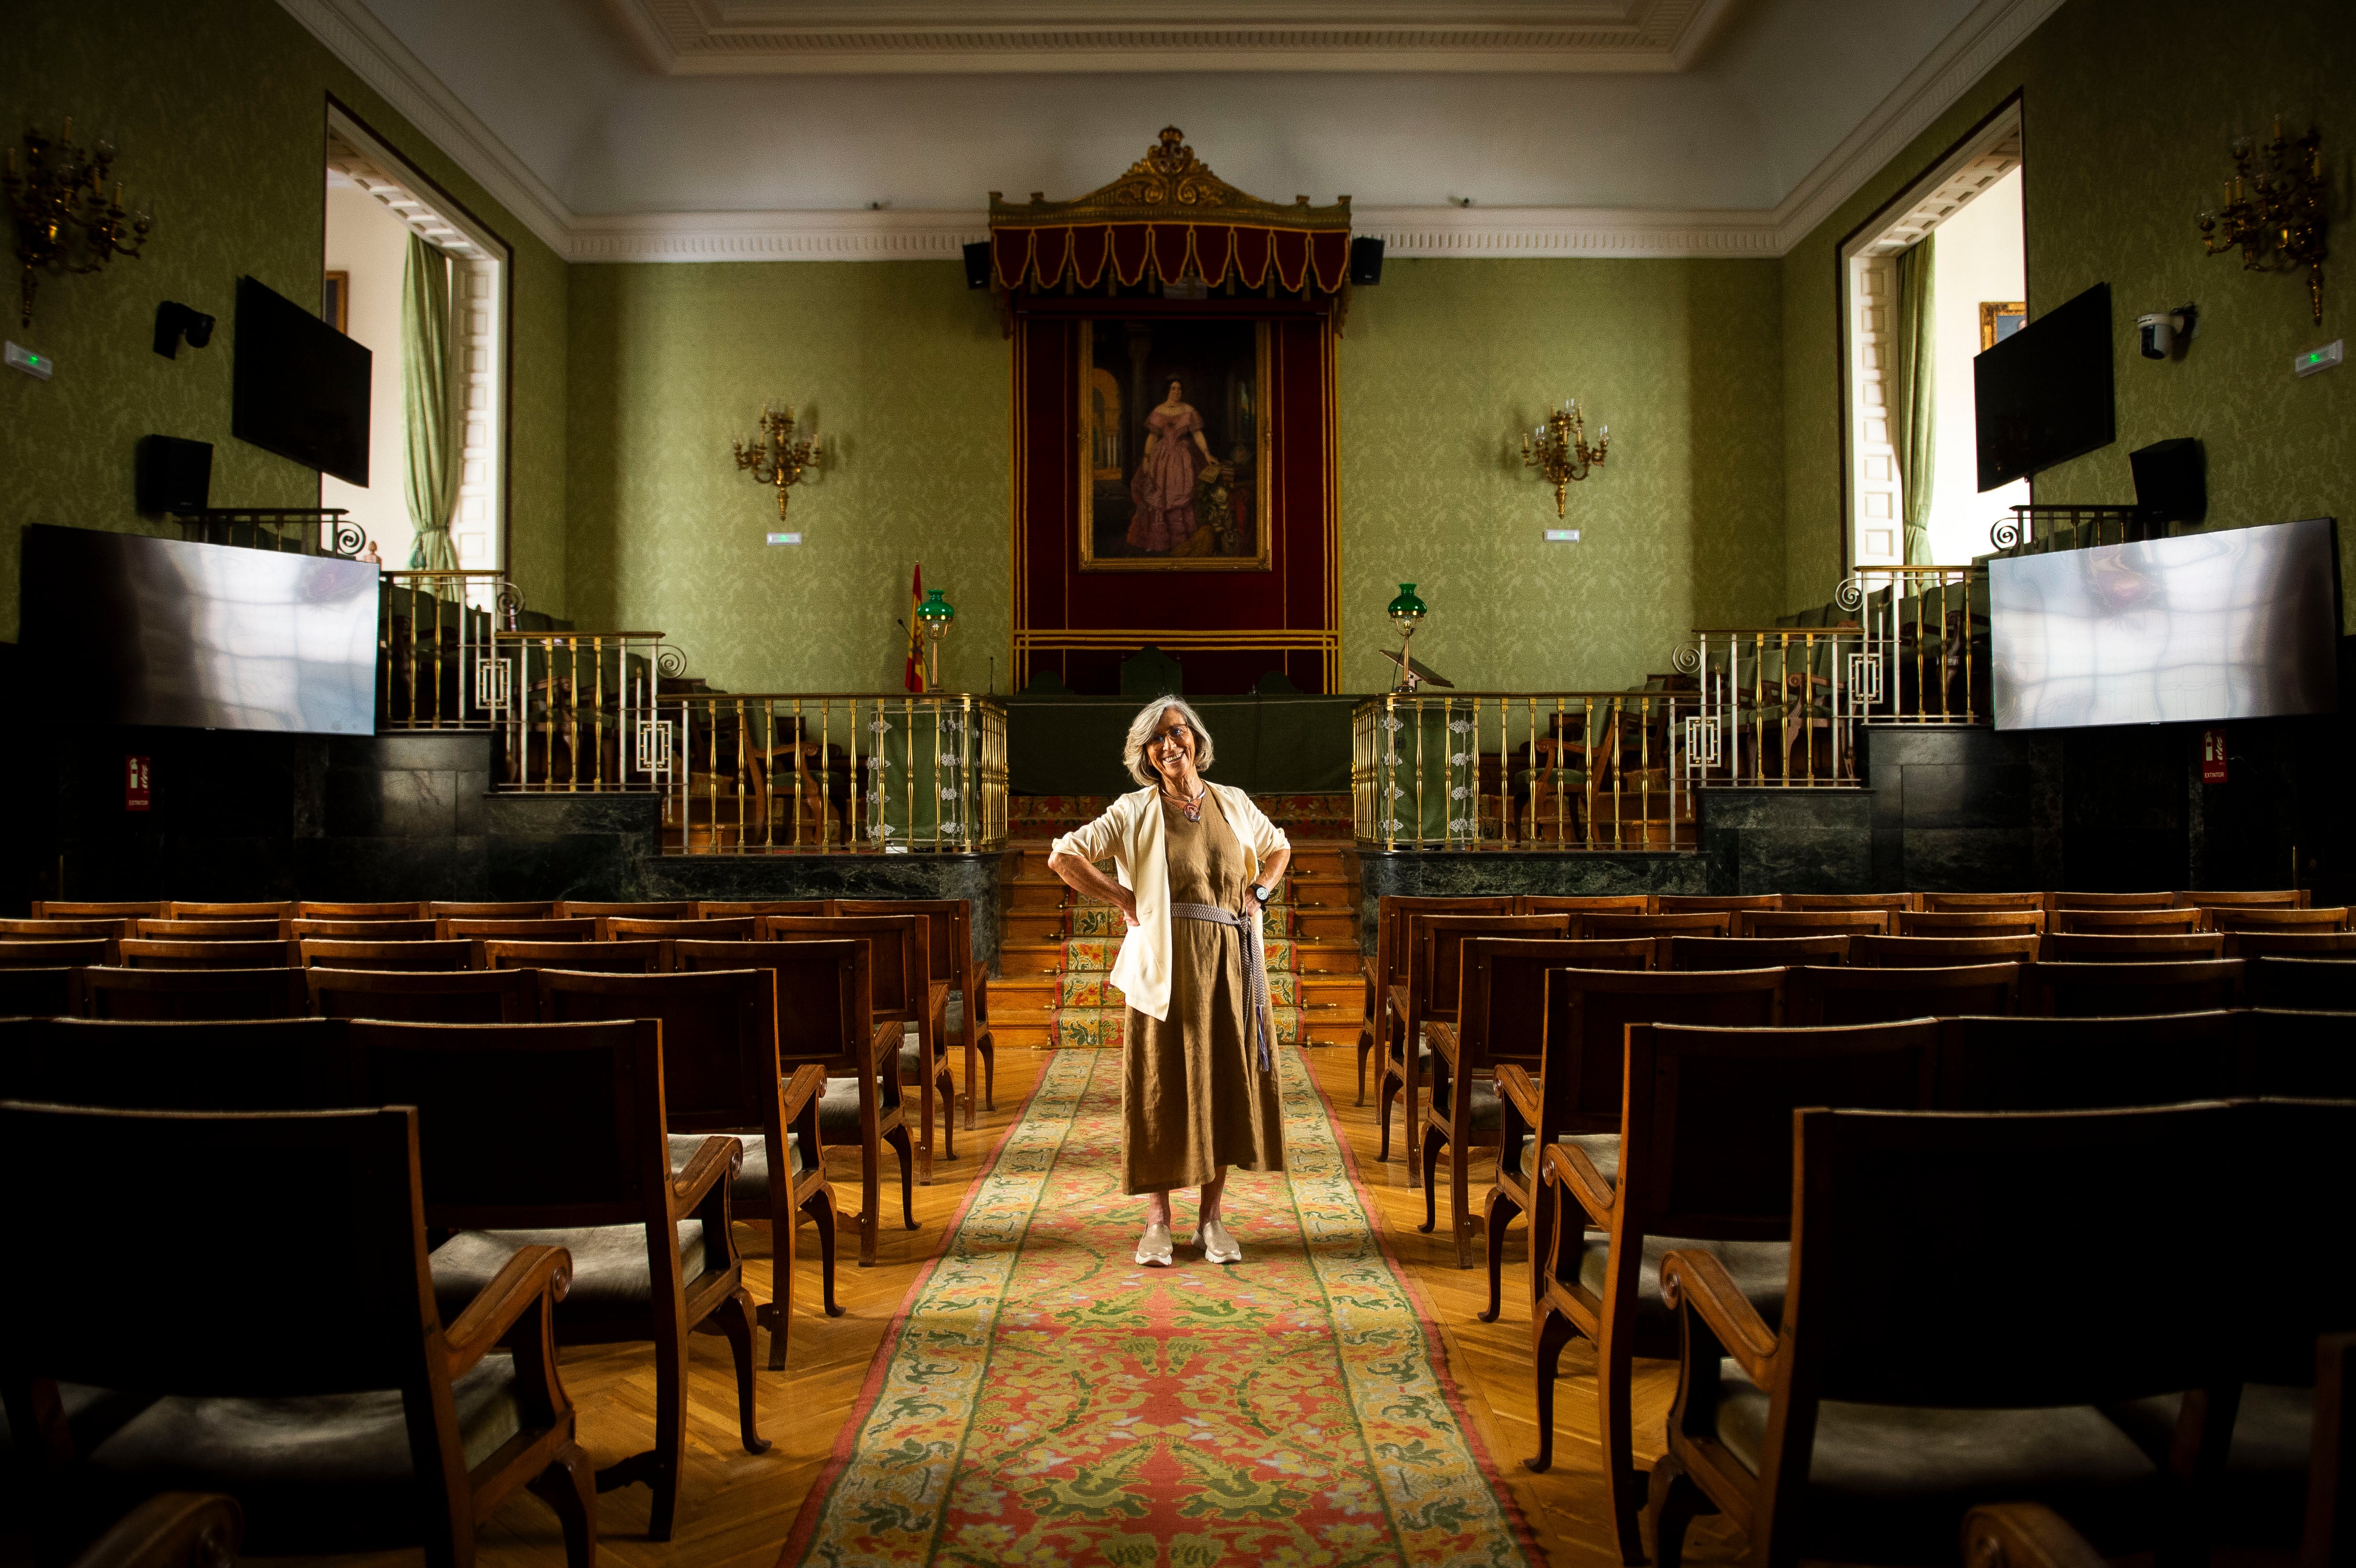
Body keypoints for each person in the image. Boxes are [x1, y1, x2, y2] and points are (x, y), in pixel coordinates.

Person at [1046, 696, 1291, 1265]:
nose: (1168, 744)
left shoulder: (1232, 802)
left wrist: (1258, 892)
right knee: (1162, 1087)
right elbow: (1064, 856)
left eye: (1175, 731)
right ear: (1146, 755)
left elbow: (1278, 846)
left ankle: (1211, 1220)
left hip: (1230, 964)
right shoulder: (1134, 810)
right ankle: (1157, 1221)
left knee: (1223, 1085)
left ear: (1195, 739)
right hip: (1165, 967)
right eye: (1154, 740)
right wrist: (1122, 897)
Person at [1125, 377, 1214, 553]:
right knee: (1159, 494)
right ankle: (1157, 541)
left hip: (1182, 457)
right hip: (1161, 457)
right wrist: (1147, 457)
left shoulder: (1189, 411)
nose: (1177, 392)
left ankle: (1180, 540)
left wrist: (1206, 454)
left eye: (1180, 389)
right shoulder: (1159, 411)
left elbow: (1197, 434)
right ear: (1168, 391)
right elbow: (1152, 437)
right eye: (1174, 389)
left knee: (1180, 492)